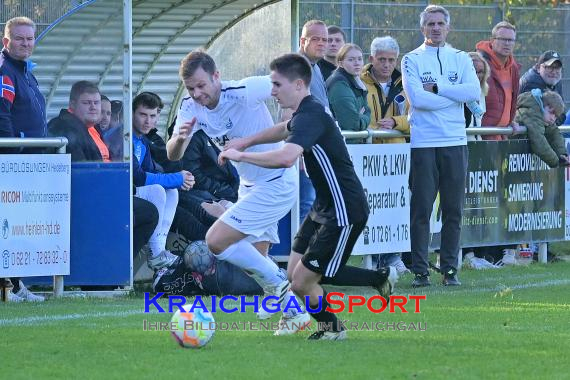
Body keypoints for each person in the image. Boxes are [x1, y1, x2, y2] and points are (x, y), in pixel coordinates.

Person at [219, 53, 397, 340]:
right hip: (324, 206)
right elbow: (282, 129)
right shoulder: (305, 112)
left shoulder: (312, 114)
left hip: (344, 209)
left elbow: (287, 157)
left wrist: (241, 154)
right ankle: (377, 279)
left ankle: (334, 329)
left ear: (299, 84)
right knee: (294, 273)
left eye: (277, 85)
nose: (272, 91)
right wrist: (247, 140)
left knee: (303, 281)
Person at [166, 50, 311, 334]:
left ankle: (284, 291)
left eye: (201, 85)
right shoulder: (189, 106)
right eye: (191, 88)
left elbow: (289, 89)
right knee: (255, 260)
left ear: (216, 76)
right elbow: (173, 155)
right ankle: (288, 309)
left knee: (216, 241)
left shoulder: (244, 90)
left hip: (277, 181)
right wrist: (180, 139)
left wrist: (296, 134)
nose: (197, 93)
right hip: (248, 185)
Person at [401, 5, 480, 287]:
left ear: (448, 27)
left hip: (455, 142)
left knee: (453, 210)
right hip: (424, 144)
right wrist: (453, 96)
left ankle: (449, 270)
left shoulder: (460, 57)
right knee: (420, 210)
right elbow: (419, 100)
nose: (435, 28)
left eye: (440, 23)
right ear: (423, 28)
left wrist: (440, 88)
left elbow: (473, 91)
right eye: (430, 24)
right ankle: (420, 271)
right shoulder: (411, 59)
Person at [0, 16, 46, 302]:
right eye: (20, 38)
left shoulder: (26, 72)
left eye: (30, 38)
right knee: (6, 223)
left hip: (30, 164)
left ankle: (17, 283)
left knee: (18, 224)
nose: (26, 43)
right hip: (13, 164)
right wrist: (12, 153)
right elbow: (2, 115)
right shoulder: (5, 71)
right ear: (7, 41)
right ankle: (5, 285)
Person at [360, 35, 411, 273]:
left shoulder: (407, 83)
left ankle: (393, 257)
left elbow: (418, 118)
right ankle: (370, 257)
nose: (387, 64)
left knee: (397, 206)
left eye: (391, 59)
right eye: (381, 59)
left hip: (396, 156)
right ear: (372, 58)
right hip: (367, 156)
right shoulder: (358, 81)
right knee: (370, 207)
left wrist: (397, 121)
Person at [132, 92, 195, 270]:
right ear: (132, 113)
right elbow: (140, 177)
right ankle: (155, 251)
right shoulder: (126, 138)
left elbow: (150, 170)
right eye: (142, 115)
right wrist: (176, 178)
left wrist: (179, 180)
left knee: (171, 191)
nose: (147, 121)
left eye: (152, 116)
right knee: (157, 190)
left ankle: (159, 249)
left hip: (135, 190)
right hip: (122, 190)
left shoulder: (142, 140)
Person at [297, 19, 330, 223]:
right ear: (303, 41)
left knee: (316, 203)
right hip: (304, 148)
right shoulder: (297, 67)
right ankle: (300, 254)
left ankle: (308, 253)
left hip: (317, 146)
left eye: (324, 39)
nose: (321, 43)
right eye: (316, 39)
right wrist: (298, 149)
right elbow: (292, 110)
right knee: (306, 204)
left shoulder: (315, 66)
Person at [476, 21, 522, 140]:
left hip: (502, 134)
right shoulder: (478, 64)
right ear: (492, 40)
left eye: (511, 40)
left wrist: (510, 121)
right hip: (481, 135)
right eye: (502, 39)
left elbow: (510, 101)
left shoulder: (514, 68)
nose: (507, 43)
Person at [48, 81, 109, 162]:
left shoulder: (89, 129)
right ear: (72, 104)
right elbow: (80, 170)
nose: (93, 107)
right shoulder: (65, 129)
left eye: (96, 103)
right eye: (86, 103)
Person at [326, 43, 370, 144]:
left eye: (359, 59)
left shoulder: (356, 81)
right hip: (341, 145)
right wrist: (365, 117)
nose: (357, 63)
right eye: (351, 59)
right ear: (340, 63)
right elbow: (353, 123)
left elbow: (367, 109)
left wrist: (362, 115)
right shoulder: (339, 84)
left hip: (351, 144)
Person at [515, 89, 569, 168]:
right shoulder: (532, 113)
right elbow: (538, 141)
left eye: (556, 116)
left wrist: (562, 154)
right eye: (551, 113)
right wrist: (555, 162)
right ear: (542, 105)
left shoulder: (544, 117)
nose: (552, 118)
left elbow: (554, 133)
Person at [464, 52, 491, 141]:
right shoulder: (459, 93)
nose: (478, 75)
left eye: (481, 72)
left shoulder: (482, 91)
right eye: (474, 71)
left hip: (478, 142)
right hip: (462, 142)